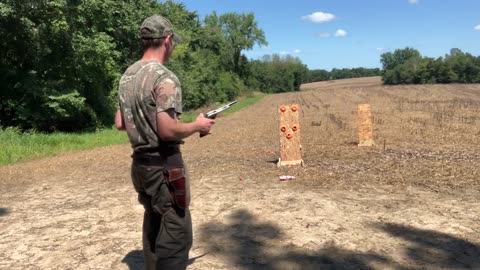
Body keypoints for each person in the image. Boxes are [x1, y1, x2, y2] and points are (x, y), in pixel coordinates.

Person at [115, 15, 215, 270]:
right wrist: (198, 126)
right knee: (176, 229)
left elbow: (120, 122)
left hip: (139, 166)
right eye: (173, 42)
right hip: (164, 166)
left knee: (154, 219)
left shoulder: (128, 75)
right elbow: (168, 131)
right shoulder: (164, 78)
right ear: (167, 40)